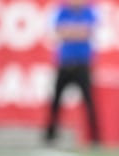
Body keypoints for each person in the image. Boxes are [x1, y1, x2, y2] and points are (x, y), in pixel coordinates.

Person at [44, 0, 100, 146]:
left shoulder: (89, 11)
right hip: (65, 63)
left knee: (89, 102)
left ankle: (95, 137)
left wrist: (69, 31)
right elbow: (59, 31)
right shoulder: (62, 11)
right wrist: (75, 31)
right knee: (55, 101)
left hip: (82, 63)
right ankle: (50, 135)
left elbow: (86, 32)